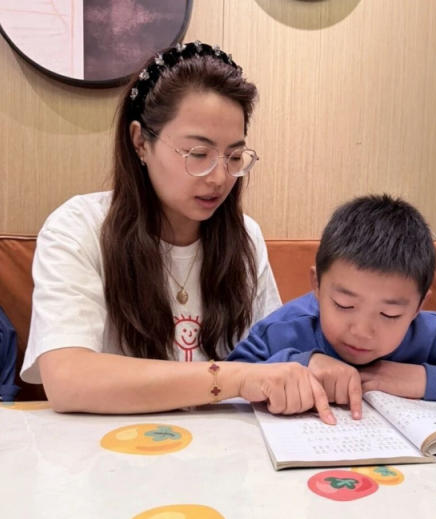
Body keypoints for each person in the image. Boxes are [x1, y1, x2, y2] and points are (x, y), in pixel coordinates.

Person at [20, 41, 335, 424]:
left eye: (234, 157)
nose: (220, 178)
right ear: (140, 142)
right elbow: (68, 379)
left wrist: (311, 363)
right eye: (198, 154)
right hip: (114, 450)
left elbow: (271, 354)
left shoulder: (245, 239)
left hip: (225, 450)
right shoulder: (79, 228)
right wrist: (234, 378)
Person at [228, 194, 436, 434]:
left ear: (419, 306)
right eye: (344, 305)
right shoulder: (286, 328)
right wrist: (300, 363)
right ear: (317, 284)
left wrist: (428, 380)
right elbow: (228, 382)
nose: (362, 330)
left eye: (390, 314)